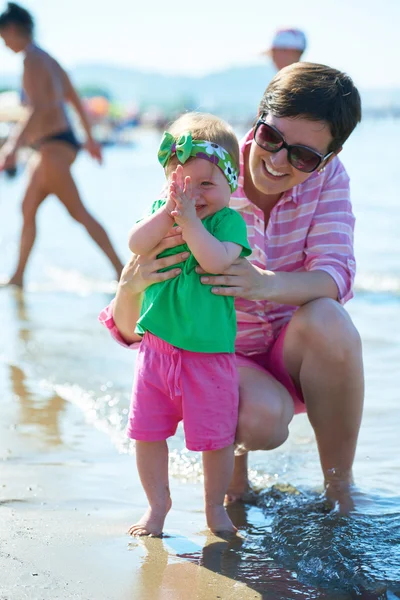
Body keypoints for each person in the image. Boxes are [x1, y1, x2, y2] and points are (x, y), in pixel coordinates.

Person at [100, 62, 363, 515]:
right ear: (257, 121)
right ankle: (230, 479)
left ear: (328, 159)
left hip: (289, 350)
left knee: (330, 320)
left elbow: (334, 276)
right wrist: (129, 286)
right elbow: (136, 320)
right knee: (262, 420)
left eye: (302, 156)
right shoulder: (204, 173)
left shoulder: (329, 181)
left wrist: (263, 284)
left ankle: (339, 489)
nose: (278, 161)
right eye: (271, 139)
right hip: (215, 355)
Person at [112, 112, 251, 536]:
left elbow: (214, 259)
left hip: (207, 355)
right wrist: (167, 214)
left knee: (216, 437)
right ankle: (157, 505)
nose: (192, 194)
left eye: (206, 184)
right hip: (157, 350)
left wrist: (190, 223)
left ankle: (214, 507)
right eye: (181, 183)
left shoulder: (228, 222)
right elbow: (135, 244)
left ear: (231, 184)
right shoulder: (163, 212)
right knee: (147, 432)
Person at [0, 3, 123, 286]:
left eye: (3, 36)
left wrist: (11, 147)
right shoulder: (49, 59)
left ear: (13, 30)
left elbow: (38, 108)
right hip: (58, 144)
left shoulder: (32, 60)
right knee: (27, 207)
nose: (3, 43)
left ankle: (122, 270)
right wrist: (90, 141)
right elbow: (74, 99)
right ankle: (18, 276)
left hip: (52, 145)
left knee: (78, 212)